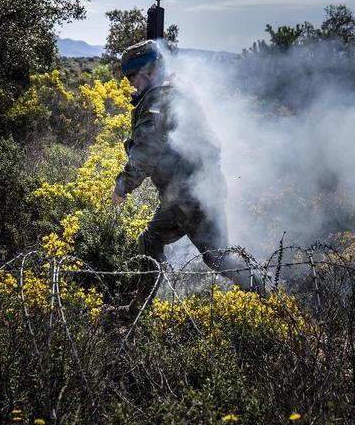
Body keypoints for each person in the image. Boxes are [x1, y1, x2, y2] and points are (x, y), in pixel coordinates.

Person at [109, 40, 261, 318]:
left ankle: (137, 311)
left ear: (148, 71)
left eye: (132, 77)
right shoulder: (176, 88)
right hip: (200, 186)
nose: (131, 84)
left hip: (188, 193)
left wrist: (123, 185)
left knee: (201, 252)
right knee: (207, 253)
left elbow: (148, 148)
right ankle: (263, 295)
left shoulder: (158, 98)